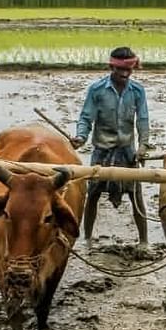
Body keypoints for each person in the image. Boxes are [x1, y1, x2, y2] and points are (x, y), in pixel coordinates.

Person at [70, 46, 153, 244]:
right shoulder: (97, 90)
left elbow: (142, 119)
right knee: (93, 195)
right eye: (120, 70)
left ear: (133, 68)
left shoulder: (137, 91)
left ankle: (144, 241)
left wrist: (143, 146)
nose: (125, 74)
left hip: (127, 152)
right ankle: (88, 238)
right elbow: (86, 117)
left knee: (136, 197)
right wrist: (81, 137)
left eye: (128, 70)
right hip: (102, 151)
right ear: (111, 68)